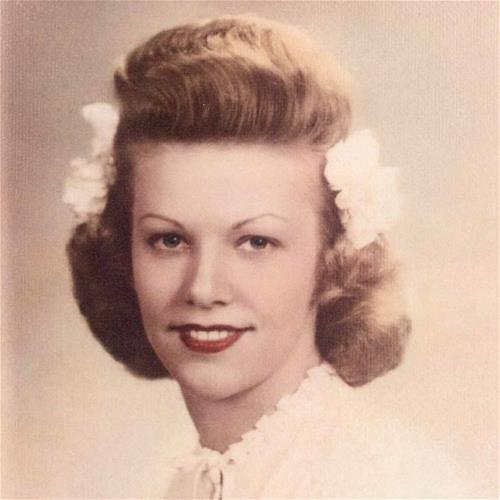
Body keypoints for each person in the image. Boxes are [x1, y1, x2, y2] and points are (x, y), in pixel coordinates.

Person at [63, 15, 470, 499]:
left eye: (255, 242)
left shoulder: (386, 484)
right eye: (169, 240)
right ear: (123, 251)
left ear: (334, 258)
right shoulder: (181, 481)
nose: (203, 288)